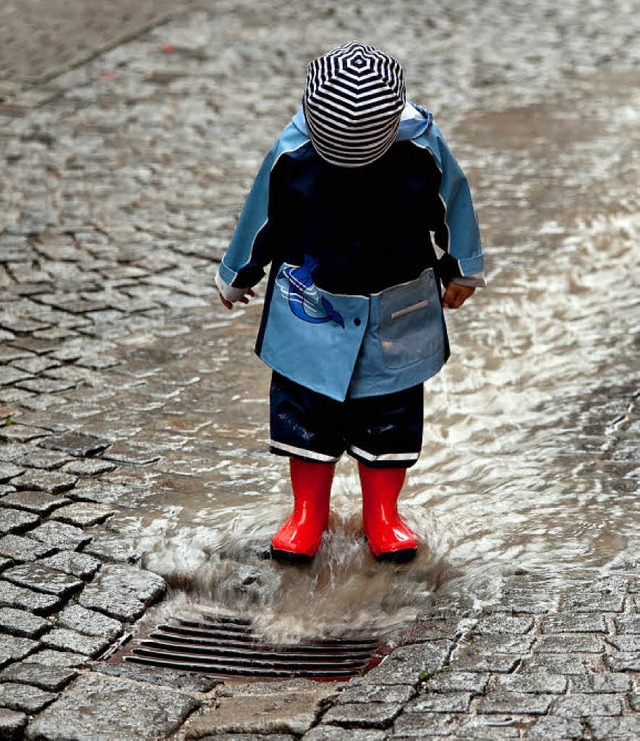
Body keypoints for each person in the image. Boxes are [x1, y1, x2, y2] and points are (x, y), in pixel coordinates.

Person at [215, 41, 485, 564]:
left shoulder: (423, 149)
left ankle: (382, 514)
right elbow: (261, 217)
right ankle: (305, 513)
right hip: (310, 305)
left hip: (397, 304)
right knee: (303, 413)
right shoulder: (293, 153)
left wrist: (462, 268)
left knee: (392, 413)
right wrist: (239, 274)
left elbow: (453, 205)